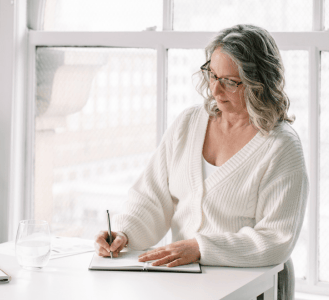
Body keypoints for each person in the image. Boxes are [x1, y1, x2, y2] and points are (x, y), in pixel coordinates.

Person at [94, 24, 308, 300]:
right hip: (182, 283)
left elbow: (275, 240)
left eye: (230, 81)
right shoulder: (188, 123)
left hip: (250, 287)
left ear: (260, 83)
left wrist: (201, 248)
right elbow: (152, 197)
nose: (215, 90)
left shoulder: (281, 147)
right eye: (212, 74)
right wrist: (123, 233)